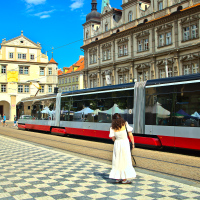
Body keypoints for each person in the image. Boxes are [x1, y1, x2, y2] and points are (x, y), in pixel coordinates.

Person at [109, 113, 136, 184]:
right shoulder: (125, 123)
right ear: (120, 118)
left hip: (117, 144)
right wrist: (133, 143)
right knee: (125, 160)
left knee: (117, 160)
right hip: (125, 144)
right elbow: (130, 135)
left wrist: (118, 138)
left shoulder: (112, 127)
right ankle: (124, 179)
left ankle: (117, 178)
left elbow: (113, 138)